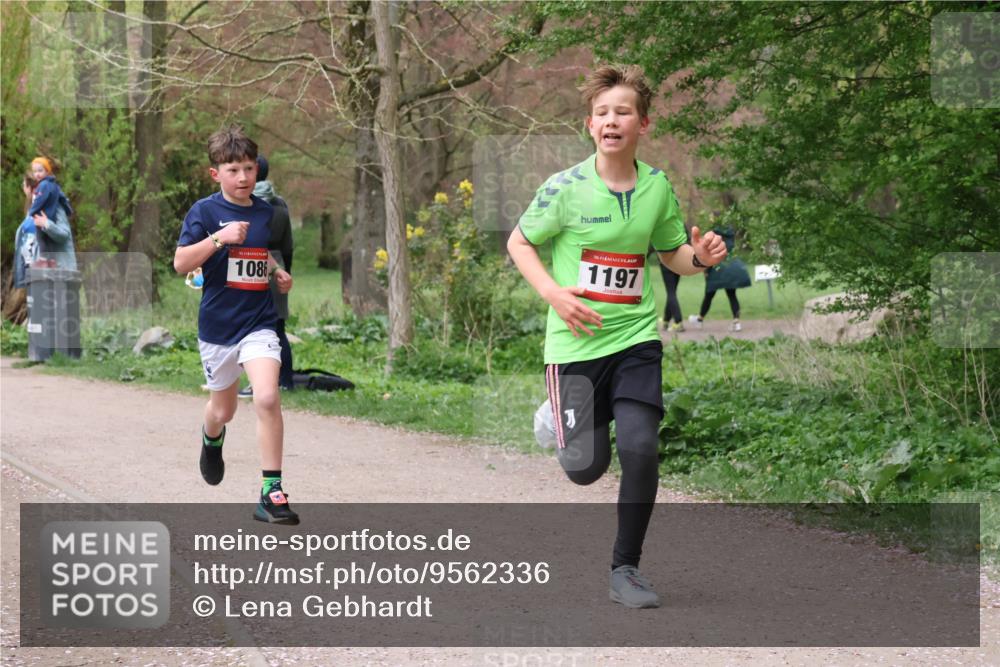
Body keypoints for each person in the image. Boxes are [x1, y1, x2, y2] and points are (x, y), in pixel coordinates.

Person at [507, 64, 727, 609]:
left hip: (634, 339)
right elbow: (519, 243)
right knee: (586, 470)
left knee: (640, 448)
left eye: (623, 112)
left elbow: (672, 252)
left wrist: (699, 259)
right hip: (574, 344)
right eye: (603, 113)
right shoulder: (564, 188)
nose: (612, 121)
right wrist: (555, 295)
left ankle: (625, 570)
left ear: (643, 124)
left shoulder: (656, 188)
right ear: (589, 126)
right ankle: (556, 417)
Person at [173, 125, 299, 525]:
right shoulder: (204, 213)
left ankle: (271, 492)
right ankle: (211, 437)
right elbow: (181, 263)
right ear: (216, 174)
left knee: (265, 398)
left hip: (258, 322)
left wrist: (276, 270)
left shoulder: (267, 213)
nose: (243, 178)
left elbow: (259, 254)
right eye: (233, 170)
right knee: (223, 410)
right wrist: (220, 239)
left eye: (248, 169)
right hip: (217, 328)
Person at [239, 154, 294, 396]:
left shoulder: (245, 203)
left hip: (250, 262)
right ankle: (286, 380)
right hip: (278, 263)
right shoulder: (280, 204)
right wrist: (285, 272)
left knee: (254, 328)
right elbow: (288, 244)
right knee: (278, 326)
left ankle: (258, 383)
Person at [692, 226, 750, 332]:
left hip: (717, 269)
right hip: (732, 267)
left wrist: (706, 271)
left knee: (709, 295)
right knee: (732, 296)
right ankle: (736, 323)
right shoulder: (730, 234)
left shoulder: (713, 235)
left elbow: (709, 254)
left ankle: (700, 320)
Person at [27, 157, 77, 270]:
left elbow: (64, 235)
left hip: (64, 273)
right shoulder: (41, 208)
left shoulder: (55, 205)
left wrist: (46, 224)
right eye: (35, 172)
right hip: (48, 276)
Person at [13, 173, 40, 288]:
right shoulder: (32, 203)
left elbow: (32, 227)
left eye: (23, 185)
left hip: (34, 253)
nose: (23, 188)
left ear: (29, 187)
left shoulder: (37, 201)